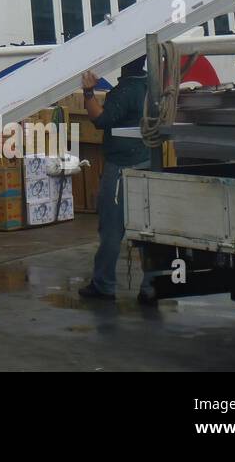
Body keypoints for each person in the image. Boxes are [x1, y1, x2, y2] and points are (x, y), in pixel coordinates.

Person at [78, 58, 150, 301]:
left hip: (122, 165)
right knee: (146, 229)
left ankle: (103, 284)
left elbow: (100, 119)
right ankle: (151, 286)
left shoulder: (126, 89)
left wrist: (88, 92)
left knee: (111, 227)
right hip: (148, 161)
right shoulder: (151, 84)